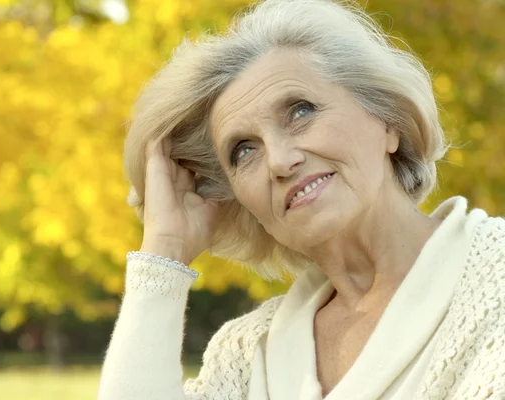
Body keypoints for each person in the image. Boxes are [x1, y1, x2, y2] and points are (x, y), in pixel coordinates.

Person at [98, 0, 505, 398]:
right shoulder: (244, 357)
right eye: (244, 150)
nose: (278, 160)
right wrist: (164, 250)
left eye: (301, 111)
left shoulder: (494, 274)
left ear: (388, 122)